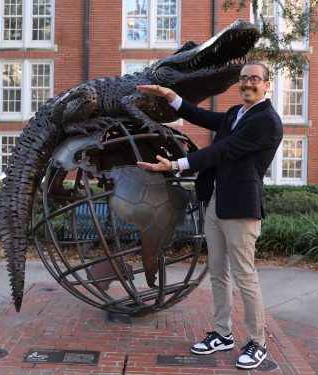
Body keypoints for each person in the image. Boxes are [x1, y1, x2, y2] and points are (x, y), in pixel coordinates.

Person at [136, 61, 282, 370]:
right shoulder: (235, 114)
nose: (247, 84)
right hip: (217, 202)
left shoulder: (266, 120)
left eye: (255, 79)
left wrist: (176, 165)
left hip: (242, 208)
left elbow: (221, 150)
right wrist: (171, 96)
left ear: (267, 84)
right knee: (218, 272)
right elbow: (202, 116)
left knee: (244, 277)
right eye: (243, 79)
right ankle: (222, 333)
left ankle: (258, 342)